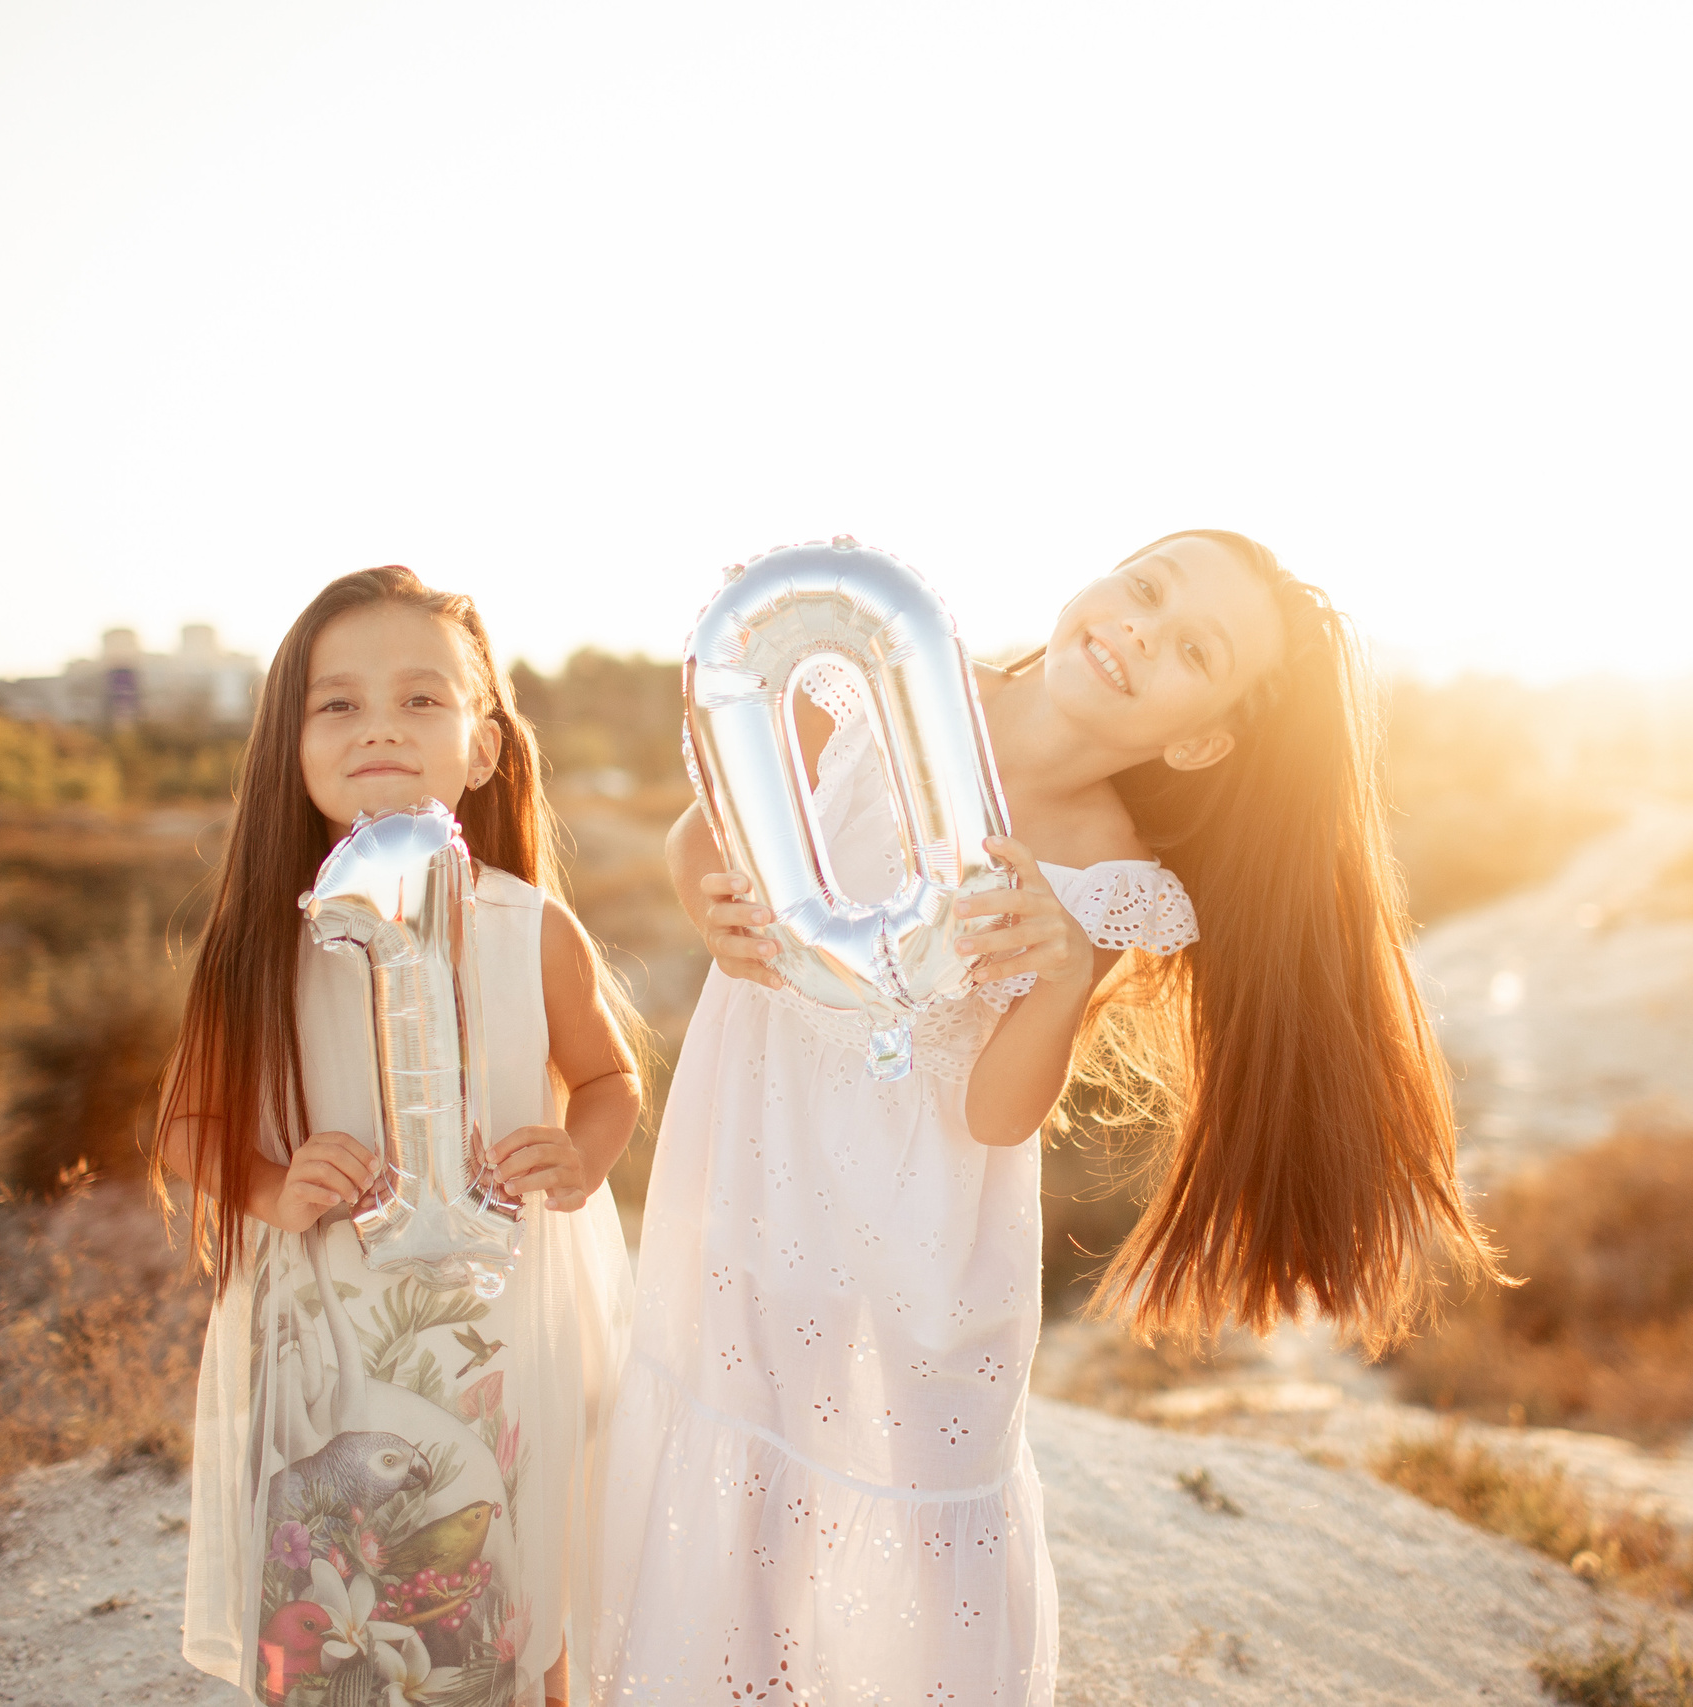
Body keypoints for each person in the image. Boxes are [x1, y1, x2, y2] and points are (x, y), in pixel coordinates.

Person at [592, 530, 1498, 1701]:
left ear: (1200, 737)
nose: (1140, 632)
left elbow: (995, 1115)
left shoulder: (1107, 867)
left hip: (921, 1229)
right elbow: (705, 829)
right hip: (761, 1150)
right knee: (744, 1445)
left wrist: (1063, 979)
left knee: (902, 1493)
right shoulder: (879, 686)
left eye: (1194, 651)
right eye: (1146, 588)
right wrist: (708, 906)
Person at [162, 567, 639, 1707]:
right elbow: (187, 1128)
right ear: (290, 746)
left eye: (421, 699)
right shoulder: (262, 945)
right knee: (332, 1613)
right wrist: (270, 1186)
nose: (378, 725)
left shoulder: (530, 927)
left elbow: (609, 1078)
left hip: (502, 1331)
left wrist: (581, 1154)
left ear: (484, 746)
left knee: (514, 1587)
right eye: (338, 703)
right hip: (329, 1333)